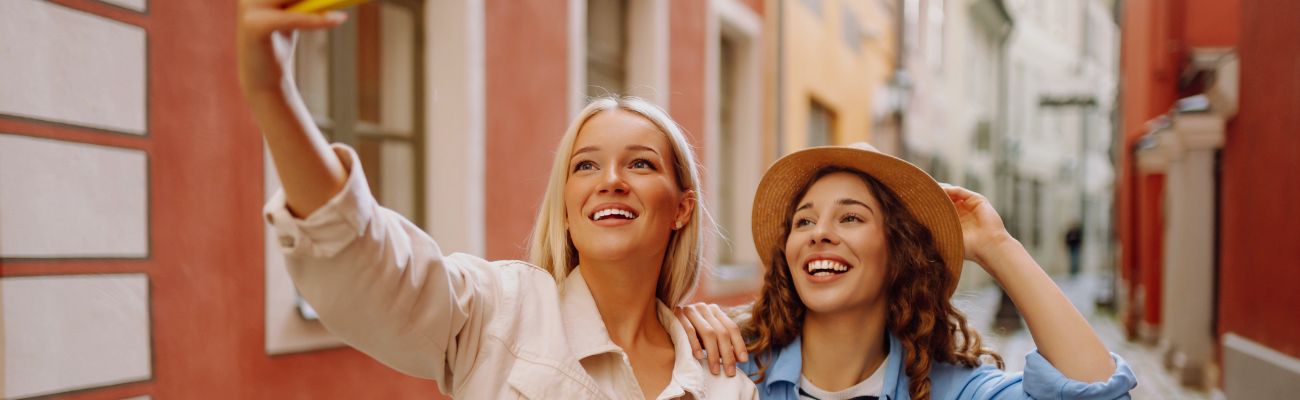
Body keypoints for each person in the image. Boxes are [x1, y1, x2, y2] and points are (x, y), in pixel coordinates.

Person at [235, 2, 757, 398]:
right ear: (568, 209)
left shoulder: (723, 379)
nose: (611, 181)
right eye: (585, 165)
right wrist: (274, 90)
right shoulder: (494, 310)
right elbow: (366, 261)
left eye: (640, 163)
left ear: (682, 208)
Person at [678, 143, 1136, 399]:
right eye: (804, 220)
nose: (820, 233)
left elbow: (1101, 395)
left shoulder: (955, 391)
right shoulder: (735, 371)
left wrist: (998, 247)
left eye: (851, 217)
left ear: (898, 253)